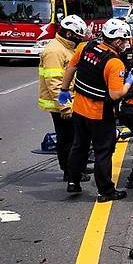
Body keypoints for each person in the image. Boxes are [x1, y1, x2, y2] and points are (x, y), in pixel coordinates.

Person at [59, 18, 133, 202]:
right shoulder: (115, 63)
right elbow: (116, 94)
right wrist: (128, 83)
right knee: (103, 152)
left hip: (79, 109)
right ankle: (105, 191)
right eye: (124, 41)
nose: (125, 45)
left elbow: (71, 68)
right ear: (116, 41)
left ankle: (73, 181)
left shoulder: (86, 47)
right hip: (99, 114)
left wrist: (63, 89)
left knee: (79, 146)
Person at [38, 15, 90, 183]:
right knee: (67, 139)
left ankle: (78, 166)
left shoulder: (66, 47)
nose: (79, 39)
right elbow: (54, 83)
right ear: (69, 34)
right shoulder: (54, 51)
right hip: (61, 105)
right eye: (77, 36)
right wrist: (65, 107)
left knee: (77, 137)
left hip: (71, 101)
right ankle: (69, 172)